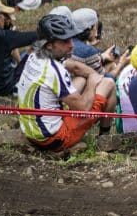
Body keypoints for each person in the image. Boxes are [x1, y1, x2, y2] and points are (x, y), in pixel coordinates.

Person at [16, 13, 118, 152]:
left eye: (71, 39)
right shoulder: (54, 70)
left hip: (32, 132)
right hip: (54, 139)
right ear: (50, 45)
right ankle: (104, 137)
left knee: (82, 78)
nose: (71, 45)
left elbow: (74, 66)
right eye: (65, 41)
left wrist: (92, 75)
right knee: (109, 84)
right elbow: (83, 109)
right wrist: (93, 83)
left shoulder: (35, 55)